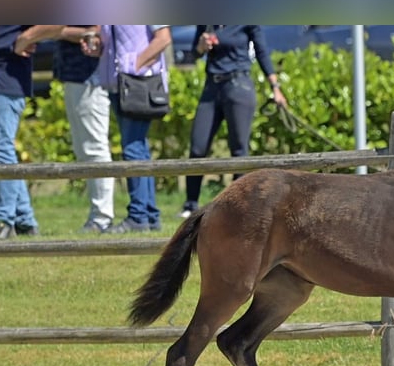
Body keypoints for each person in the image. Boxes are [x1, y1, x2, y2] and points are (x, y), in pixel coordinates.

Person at [178, 25, 287, 218]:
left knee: (238, 149)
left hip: (238, 85)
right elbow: (195, 53)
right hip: (211, 86)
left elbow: (261, 51)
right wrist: (200, 47)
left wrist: (275, 87)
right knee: (198, 147)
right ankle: (190, 206)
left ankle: (238, 206)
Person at [0, 25, 63, 239]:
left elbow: (55, 24)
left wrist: (26, 38)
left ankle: (4, 220)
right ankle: (25, 220)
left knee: (1, 151)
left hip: (4, 83)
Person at [86, 25, 171, 234]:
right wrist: (97, 45)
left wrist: (134, 65)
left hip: (137, 84)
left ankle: (138, 216)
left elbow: (163, 38)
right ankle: (149, 215)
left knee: (132, 148)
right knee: (138, 148)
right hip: (118, 86)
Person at [54, 26, 116, 233]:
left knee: (94, 148)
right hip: (77, 77)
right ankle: (98, 215)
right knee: (84, 149)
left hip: (89, 78)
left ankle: (102, 217)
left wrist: (57, 31)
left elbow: (99, 28)